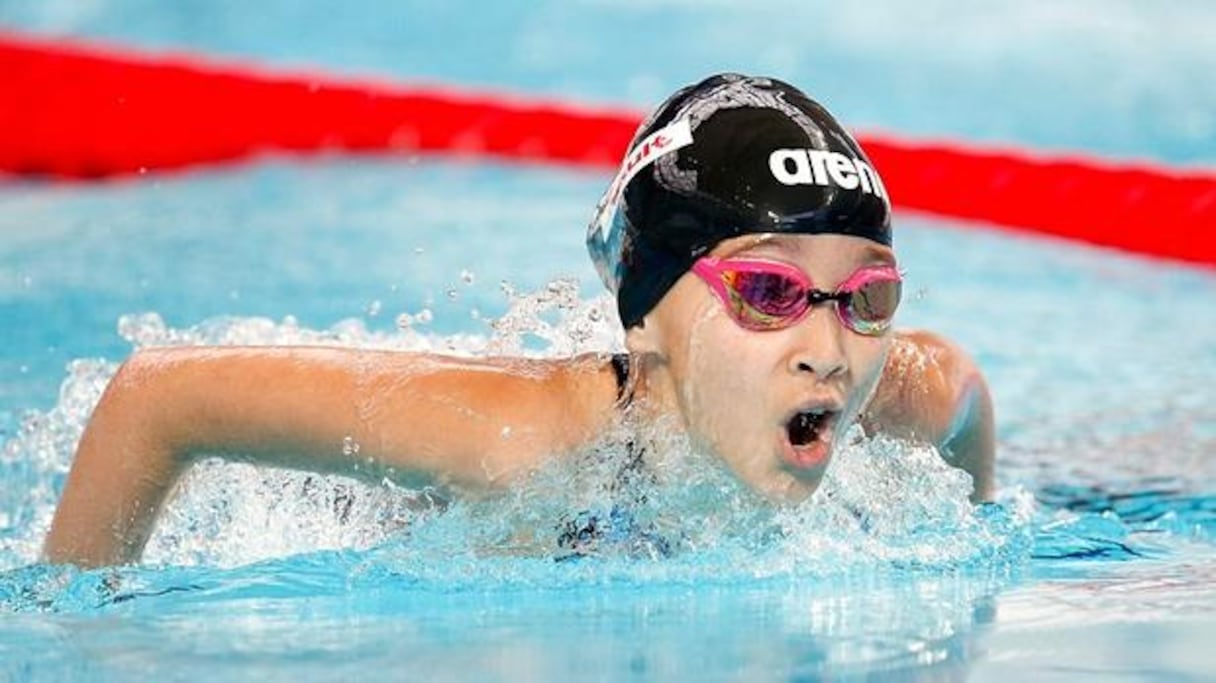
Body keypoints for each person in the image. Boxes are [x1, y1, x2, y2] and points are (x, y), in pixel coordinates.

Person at [43, 73, 994, 568]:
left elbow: (966, 395)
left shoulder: (872, 391)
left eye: (866, 298)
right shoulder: (516, 442)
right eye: (771, 294)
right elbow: (157, 397)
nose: (826, 352)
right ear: (646, 318)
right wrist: (83, 624)